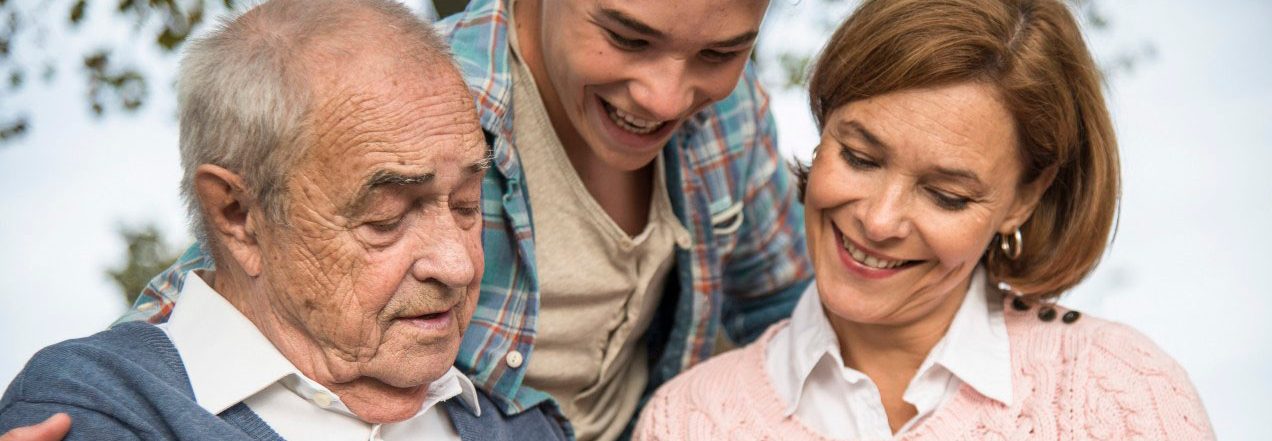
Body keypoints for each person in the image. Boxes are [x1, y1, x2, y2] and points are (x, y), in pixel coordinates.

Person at [117, 0, 812, 439]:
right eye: (627, 37)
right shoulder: (418, 97)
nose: (666, 95)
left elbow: (786, 307)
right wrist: (98, 408)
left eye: (719, 53)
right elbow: (230, 279)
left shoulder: (728, 113)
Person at [635, 0, 1215, 439]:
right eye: (859, 158)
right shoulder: (688, 419)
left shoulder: (1121, 393)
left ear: (1025, 196)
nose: (881, 221)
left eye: (945, 195)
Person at [0, 1, 568, 439]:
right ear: (238, 216)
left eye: (468, 204)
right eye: (387, 218)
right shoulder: (93, 409)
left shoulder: (526, 428)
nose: (460, 263)